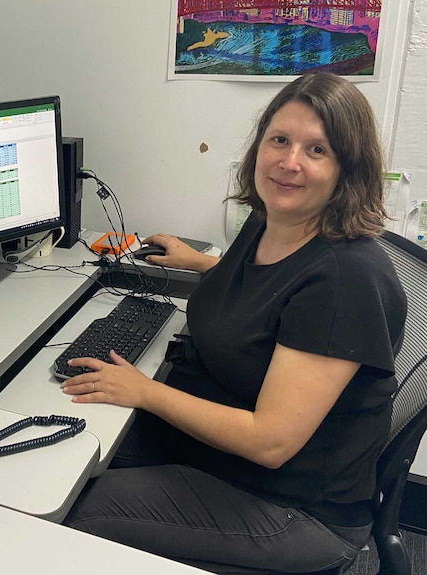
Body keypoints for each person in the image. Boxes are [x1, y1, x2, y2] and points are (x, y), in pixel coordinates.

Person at [61, 72, 407, 574]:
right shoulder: (273, 221)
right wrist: (202, 264)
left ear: (346, 171)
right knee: (63, 452)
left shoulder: (343, 279)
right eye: (280, 140)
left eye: (317, 150)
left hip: (290, 507)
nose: (289, 163)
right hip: (216, 457)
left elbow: (270, 441)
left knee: (63, 505)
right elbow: (272, 289)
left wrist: (144, 391)